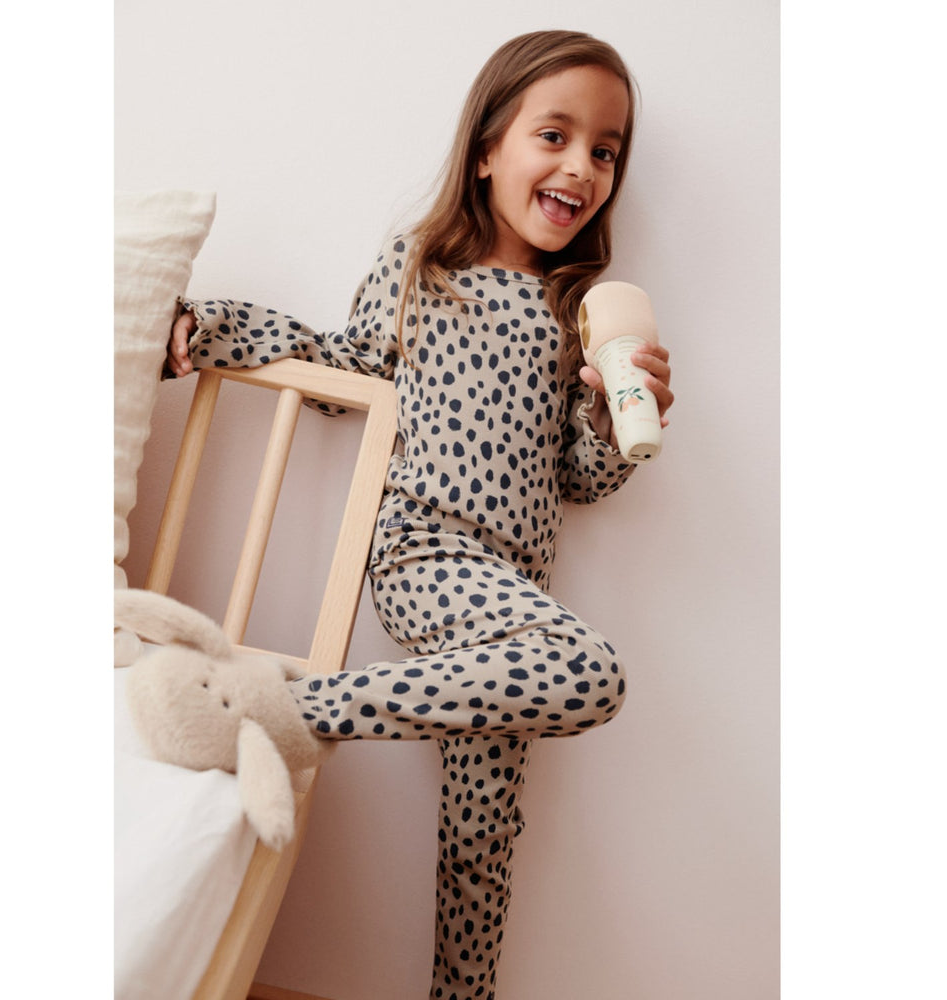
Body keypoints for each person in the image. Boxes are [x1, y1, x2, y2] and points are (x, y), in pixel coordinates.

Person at [166, 29, 673, 1000]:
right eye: (555, 136)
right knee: (591, 669)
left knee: (484, 843)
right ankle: (290, 711)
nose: (581, 167)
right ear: (486, 151)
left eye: (605, 152)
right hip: (423, 556)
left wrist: (615, 421)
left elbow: (578, 477)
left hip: (512, 604)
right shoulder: (419, 270)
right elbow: (344, 368)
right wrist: (211, 326)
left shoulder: (572, 310)